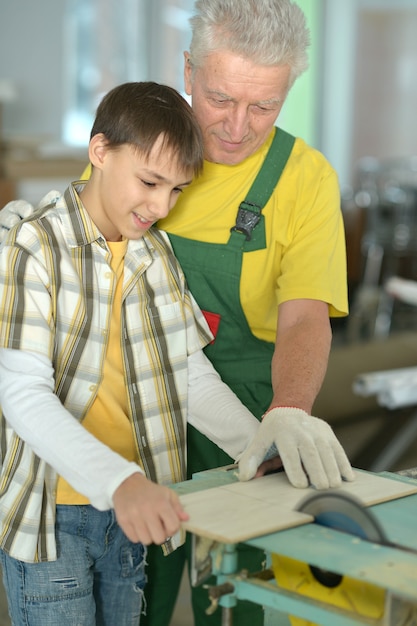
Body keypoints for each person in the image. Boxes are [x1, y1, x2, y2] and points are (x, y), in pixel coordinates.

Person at [0, 80, 297, 626]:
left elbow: (186, 374)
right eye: (150, 181)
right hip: (53, 517)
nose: (161, 206)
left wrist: (258, 446)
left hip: (134, 512)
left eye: (177, 190)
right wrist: (121, 482)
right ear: (100, 151)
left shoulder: (155, 253)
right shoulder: (32, 248)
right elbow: (22, 394)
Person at [141, 1, 355, 625]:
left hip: (253, 416)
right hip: (144, 409)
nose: (237, 127)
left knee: (237, 602)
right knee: (135, 594)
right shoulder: (140, 151)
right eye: (220, 99)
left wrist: (289, 410)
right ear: (188, 71)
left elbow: (304, 316)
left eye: (263, 106)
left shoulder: (306, 179)